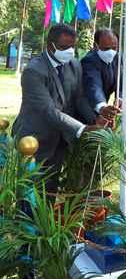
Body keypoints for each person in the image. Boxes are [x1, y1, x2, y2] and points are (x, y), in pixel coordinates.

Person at [12, 23, 103, 194]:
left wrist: (96, 119)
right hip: (34, 140)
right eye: (64, 47)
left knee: (50, 190)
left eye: (72, 46)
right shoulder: (34, 71)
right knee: (29, 194)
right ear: (50, 45)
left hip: (59, 139)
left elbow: (79, 97)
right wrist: (82, 129)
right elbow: (48, 110)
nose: (69, 51)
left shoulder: (74, 64)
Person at [81, 29, 122, 123]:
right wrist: (102, 107)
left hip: (104, 110)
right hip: (87, 110)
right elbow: (94, 85)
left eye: (114, 48)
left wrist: (120, 97)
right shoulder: (89, 61)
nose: (111, 52)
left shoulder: (117, 58)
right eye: (106, 48)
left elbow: (121, 81)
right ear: (96, 46)